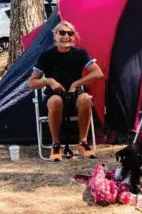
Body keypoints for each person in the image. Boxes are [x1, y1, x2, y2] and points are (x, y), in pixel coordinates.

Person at [28, 21, 104, 162]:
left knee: (86, 98)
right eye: (62, 32)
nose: (66, 36)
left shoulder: (80, 53)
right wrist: (48, 81)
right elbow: (32, 83)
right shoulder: (47, 56)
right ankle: (56, 144)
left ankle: (83, 143)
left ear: (74, 37)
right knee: (56, 100)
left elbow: (98, 73)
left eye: (70, 33)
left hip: (76, 95)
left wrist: (77, 83)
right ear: (55, 35)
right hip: (55, 97)